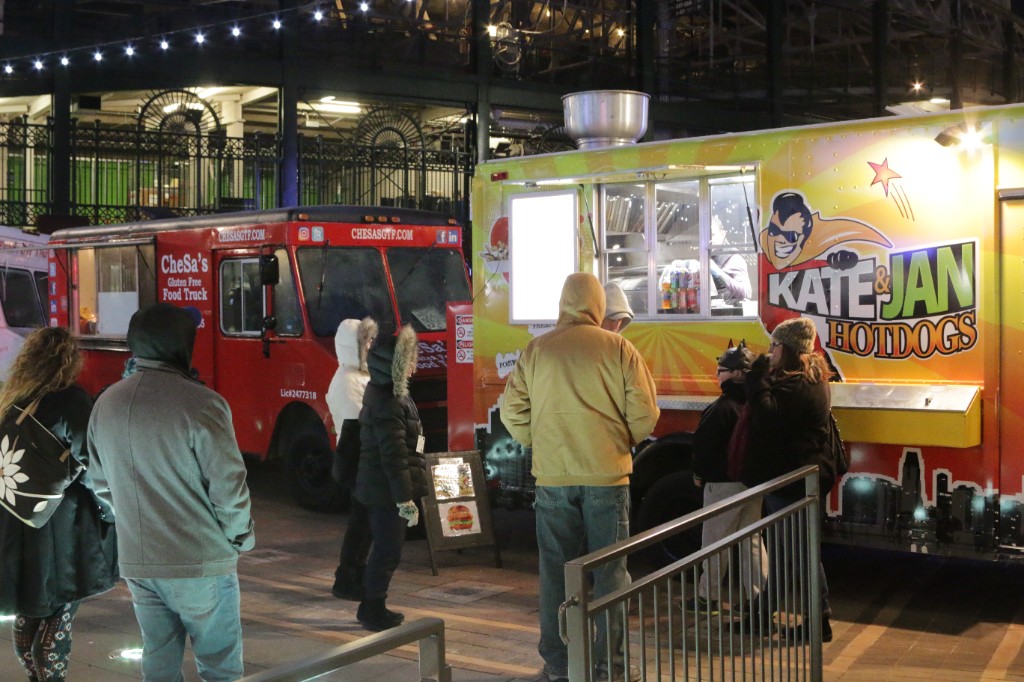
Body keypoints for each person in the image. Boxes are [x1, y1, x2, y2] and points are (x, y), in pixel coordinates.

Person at [501, 272, 659, 682]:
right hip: (608, 479)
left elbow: (512, 413)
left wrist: (542, 441)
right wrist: (619, 440)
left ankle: (559, 664)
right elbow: (645, 415)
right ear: (599, 305)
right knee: (611, 576)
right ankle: (611, 668)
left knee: (555, 573)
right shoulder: (621, 348)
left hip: (553, 479)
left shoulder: (537, 350)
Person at [87, 302, 255, 680]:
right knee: (220, 667)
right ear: (182, 345)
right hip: (199, 559)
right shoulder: (201, 403)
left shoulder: (107, 403)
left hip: (138, 561)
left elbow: (99, 483)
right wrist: (240, 537)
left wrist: (132, 519)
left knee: (158, 662)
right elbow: (228, 486)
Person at [0, 327, 118, 682]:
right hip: (62, 524)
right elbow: (90, 461)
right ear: (68, 361)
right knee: (60, 608)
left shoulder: (14, 399)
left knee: (30, 607)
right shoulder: (70, 400)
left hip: (17, 516)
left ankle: (35, 677)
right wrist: (110, 510)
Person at [740, 316, 835, 642]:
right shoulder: (806, 377)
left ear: (789, 348)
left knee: (801, 554)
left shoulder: (801, 384)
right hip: (789, 479)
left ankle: (818, 620)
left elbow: (768, 416)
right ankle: (762, 616)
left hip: (794, 481)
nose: (769, 351)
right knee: (783, 555)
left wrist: (756, 377)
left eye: (774, 345)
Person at [353, 323, 427, 631]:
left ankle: (371, 603)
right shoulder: (389, 402)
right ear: (393, 366)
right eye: (408, 360)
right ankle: (372, 608)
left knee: (385, 549)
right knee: (387, 550)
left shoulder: (390, 395)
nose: (413, 366)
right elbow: (394, 459)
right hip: (386, 492)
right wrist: (404, 500)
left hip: (381, 488)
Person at [688, 341, 767, 614]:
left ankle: (706, 598)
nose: (717, 375)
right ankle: (759, 599)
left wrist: (699, 474)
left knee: (714, 543)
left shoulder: (721, 408)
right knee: (752, 542)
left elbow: (703, 446)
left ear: (735, 373)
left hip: (722, 484)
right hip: (753, 483)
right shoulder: (758, 403)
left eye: (721, 369)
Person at [327, 316, 378, 601]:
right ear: (353, 346)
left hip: (363, 458)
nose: (371, 345)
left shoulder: (357, 376)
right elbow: (358, 426)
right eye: (366, 340)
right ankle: (347, 576)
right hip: (359, 459)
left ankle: (353, 574)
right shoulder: (349, 381)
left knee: (365, 520)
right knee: (361, 521)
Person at [709, 214, 752, 306]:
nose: (709, 239)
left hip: (730, 315)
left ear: (722, 234)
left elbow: (746, 292)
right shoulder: (707, 257)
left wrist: (718, 272)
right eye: (705, 235)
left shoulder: (734, 259)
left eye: (712, 234)